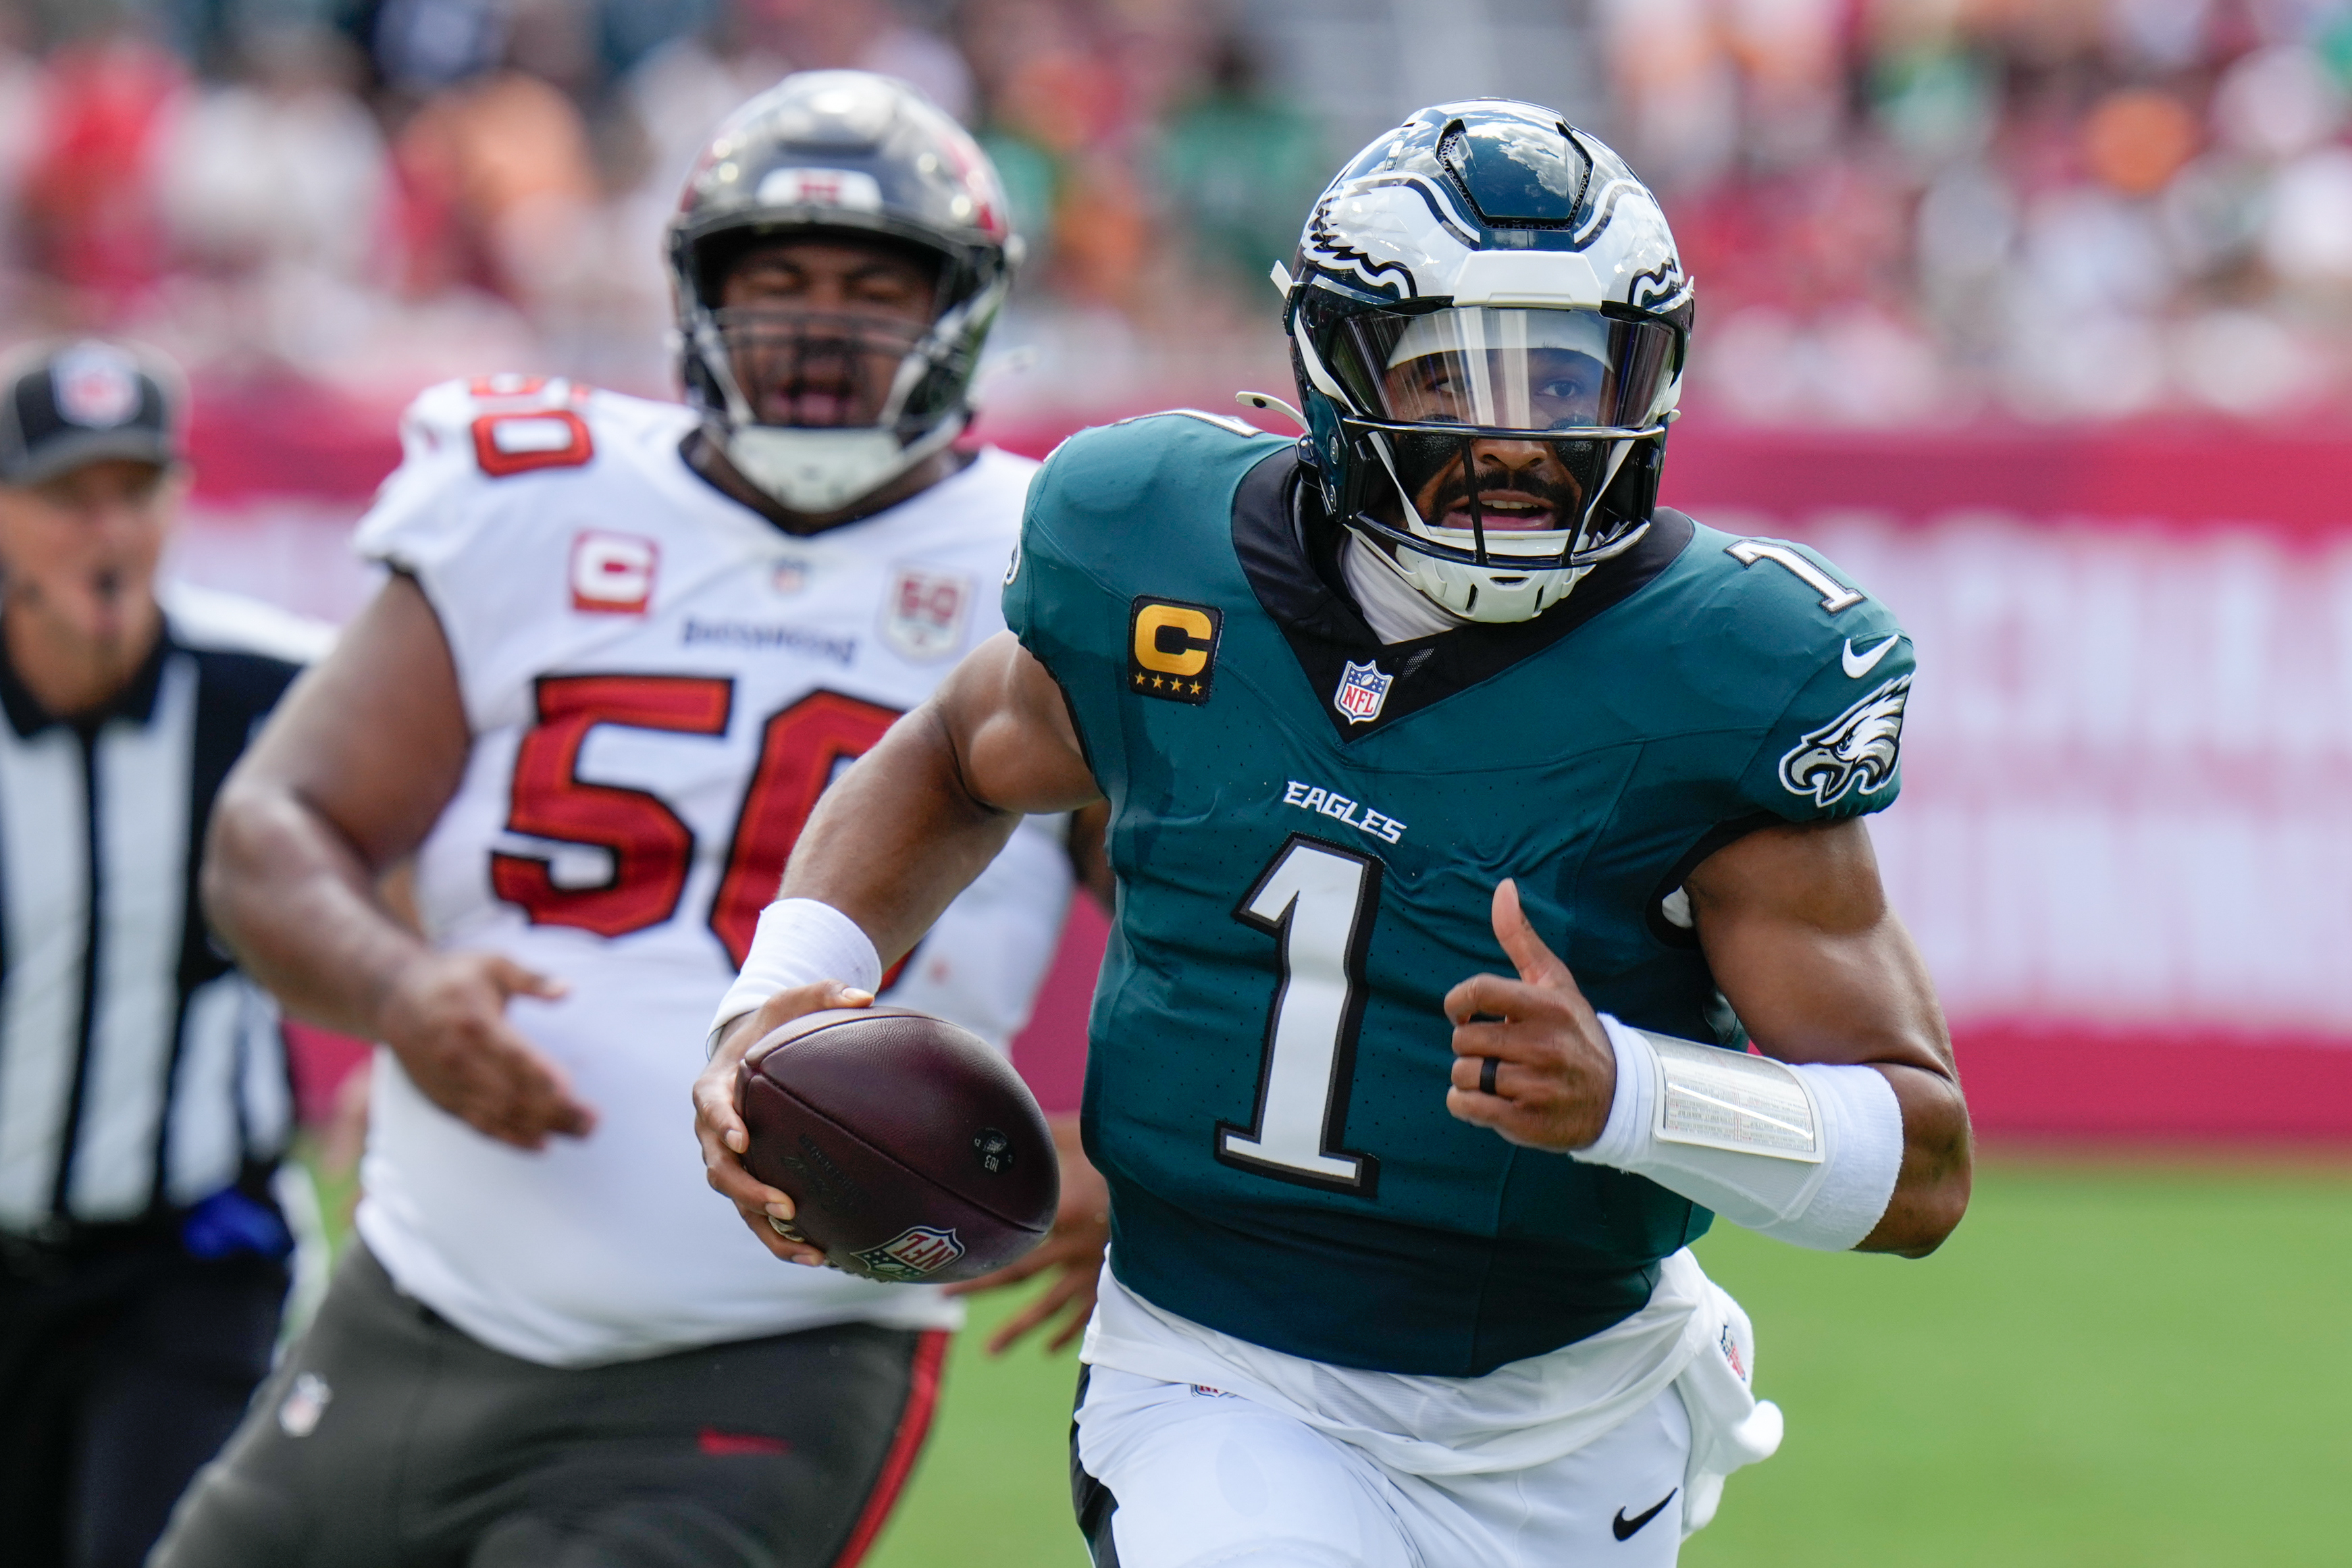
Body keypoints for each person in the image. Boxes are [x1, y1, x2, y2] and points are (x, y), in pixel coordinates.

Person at [694, 100, 1972, 1567]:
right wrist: (781, 992)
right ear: (1330, 367)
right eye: (1453, 375)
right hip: (1214, 1369)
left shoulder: (1723, 673)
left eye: (1564, 379)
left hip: (1570, 1413)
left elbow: (1919, 1171)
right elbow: (943, 762)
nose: (1517, 439)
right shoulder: (1150, 546)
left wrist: (1629, 1092)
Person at [159, 72, 1109, 1568]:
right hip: (416, 1301)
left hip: (773, 1350)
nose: (818, 323)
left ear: (962, 309)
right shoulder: (530, 490)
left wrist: (1151, 1153)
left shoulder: (1052, 553)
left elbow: (1239, 914)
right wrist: (399, 991)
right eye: (776, 278)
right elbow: (276, 831)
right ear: (693, 296)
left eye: (874, 286)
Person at [0, 339, 330, 1568]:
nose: (105, 530)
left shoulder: (276, 690)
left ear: (179, 503)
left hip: (186, 1255)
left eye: (132, 493)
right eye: (64, 496)